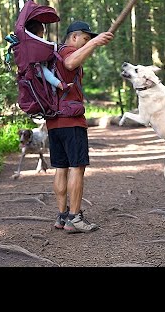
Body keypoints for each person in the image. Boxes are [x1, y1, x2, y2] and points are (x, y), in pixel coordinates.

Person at [48, 20, 114, 233]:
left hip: (54, 121)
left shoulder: (52, 55)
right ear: (74, 37)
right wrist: (94, 43)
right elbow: (70, 63)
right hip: (71, 121)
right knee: (77, 167)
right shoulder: (67, 52)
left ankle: (62, 216)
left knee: (61, 167)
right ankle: (75, 218)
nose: (87, 43)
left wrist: (91, 44)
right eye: (85, 38)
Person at [24, 19, 72, 91]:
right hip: (35, 68)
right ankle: (59, 85)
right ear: (40, 31)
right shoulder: (36, 43)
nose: (43, 32)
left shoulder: (26, 41)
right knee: (43, 71)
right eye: (42, 30)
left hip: (32, 71)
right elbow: (49, 48)